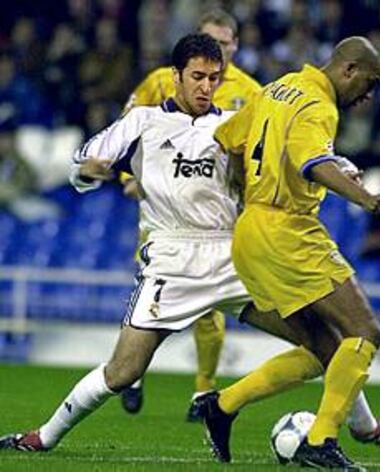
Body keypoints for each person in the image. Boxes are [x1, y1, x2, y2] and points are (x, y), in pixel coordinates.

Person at [0, 34, 380, 467]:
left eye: (214, 79)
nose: (205, 87)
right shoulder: (141, 121)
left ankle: (360, 428)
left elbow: (289, 153)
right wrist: (88, 172)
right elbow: (80, 163)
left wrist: (342, 167)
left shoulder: (231, 124)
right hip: (172, 263)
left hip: (233, 255)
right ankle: (41, 437)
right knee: (123, 373)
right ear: (175, 76)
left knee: (327, 343)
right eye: (196, 77)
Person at [194, 36, 380, 470]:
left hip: (250, 228)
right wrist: (365, 199)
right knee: (365, 330)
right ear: (348, 69)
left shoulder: (277, 87)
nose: (369, 95)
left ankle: (223, 405)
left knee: (323, 347)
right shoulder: (317, 104)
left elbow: (230, 139)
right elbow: (314, 163)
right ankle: (321, 439)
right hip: (287, 228)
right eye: (370, 81)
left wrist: (242, 190)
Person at [119, 8, 262, 420]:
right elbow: (129, 125)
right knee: (152, 294)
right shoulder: (164, 80)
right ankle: (132, 373)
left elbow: (259, 150)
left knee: (210, 308)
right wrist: (132, 174)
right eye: (209, 40)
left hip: (217, 217)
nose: (217, 48)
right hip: (166, 212)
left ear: (235, 45)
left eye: (224, 41)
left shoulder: (252, 93)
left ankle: (203, 392)